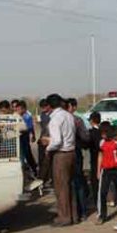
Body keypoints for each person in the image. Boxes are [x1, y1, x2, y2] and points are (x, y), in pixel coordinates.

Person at [43, 93, 77, 226]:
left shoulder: (55, 119)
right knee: (70, 186)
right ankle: (74, 215)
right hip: (71, 152)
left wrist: (48, 147)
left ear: (49, 106)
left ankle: (64, 217)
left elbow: (57, 141)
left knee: (61, 187)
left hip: (61, 155)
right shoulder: (68, 115)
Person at [67, 98, 91, 221]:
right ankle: (83, 212)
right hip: (75, 152)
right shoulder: (76, 120)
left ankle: (72, 213)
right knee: (78, 182)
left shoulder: (55, 119)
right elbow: (86, 137)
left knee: (68, 183)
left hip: (62, 155)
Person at [97, 125, 117, 225]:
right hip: (106, 170)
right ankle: (102, 215)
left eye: (104, 133)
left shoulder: (116, 142)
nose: (102, 135)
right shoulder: (102, 143)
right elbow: (100, 156)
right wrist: (98, 170)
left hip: (116, 169)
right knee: (102, 193)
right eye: (101, 133)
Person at [14, 100, 38, 177]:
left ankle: (34, 170)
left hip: (24, 137)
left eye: (19, 109)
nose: (18, 110)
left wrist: (33, 135)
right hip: (18, 137)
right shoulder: (16, 116)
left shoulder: (27, 116)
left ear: (24, 109)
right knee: (21, 154)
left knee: (27, 154)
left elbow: (29, 127)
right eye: (17, 109)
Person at [37, 98, 52, 183]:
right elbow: (42, 127)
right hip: (42, 138)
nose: (43, 109)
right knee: (41, 159)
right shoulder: (42, 115)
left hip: (49, 140)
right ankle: (42, 177)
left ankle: (47, 177)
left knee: (48, 160)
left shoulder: (52, 115)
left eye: (44, 107)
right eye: (41, 107)